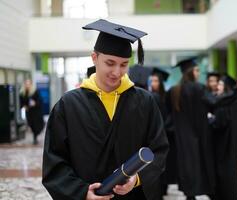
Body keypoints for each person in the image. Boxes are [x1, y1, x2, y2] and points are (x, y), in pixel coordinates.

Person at [42, 19, 169, 200]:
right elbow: (55, 162)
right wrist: (82, 192)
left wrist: (137, 179)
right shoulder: (69, 105)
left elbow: (159, 150)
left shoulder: (144, 102)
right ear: (94, 58)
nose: (117, 72)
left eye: (124, 64)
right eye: (110, 63)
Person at [166, 58, 215, 200]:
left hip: (181, 136)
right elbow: (212, 104)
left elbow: (169, 112)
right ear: (190, 71)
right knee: (200, 164)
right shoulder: (199, 88)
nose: (199, 73)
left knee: (186, 165)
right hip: (199, 134)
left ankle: (189, 194)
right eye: (197, 70)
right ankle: (205, 190)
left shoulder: (174, 91)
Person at [208, 75, 237, 200]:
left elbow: (218, 124)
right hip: (230, 145)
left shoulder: (225, 105)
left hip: (223, 145)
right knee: (230, 171)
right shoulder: (233, 102)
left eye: (220, 84)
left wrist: (210, 119)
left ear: (226, 87)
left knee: (223, 172)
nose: (217, 86)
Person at [149, 68, 177, 196]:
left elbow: (170, 114)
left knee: (165, 162)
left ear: (160, 82)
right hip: (156, 135)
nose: (153, 83)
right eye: (152, 80)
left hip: (166, 134)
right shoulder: (150, 96)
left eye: (156, 81)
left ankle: (164, 187)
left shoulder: (166, 96)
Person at [20, 79, 44, 145]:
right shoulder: (22, 93)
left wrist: (35, 103)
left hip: (36, 111)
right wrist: (24, 106)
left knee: (37, 125)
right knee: (31, 124)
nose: (27, 85)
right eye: (26, 84)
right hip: (29, 112)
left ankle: (35, 137)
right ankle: (35, 136)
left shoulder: (35, 91)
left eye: (28, 84)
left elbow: (40, 100)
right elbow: (21, 102)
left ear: (31, 84)